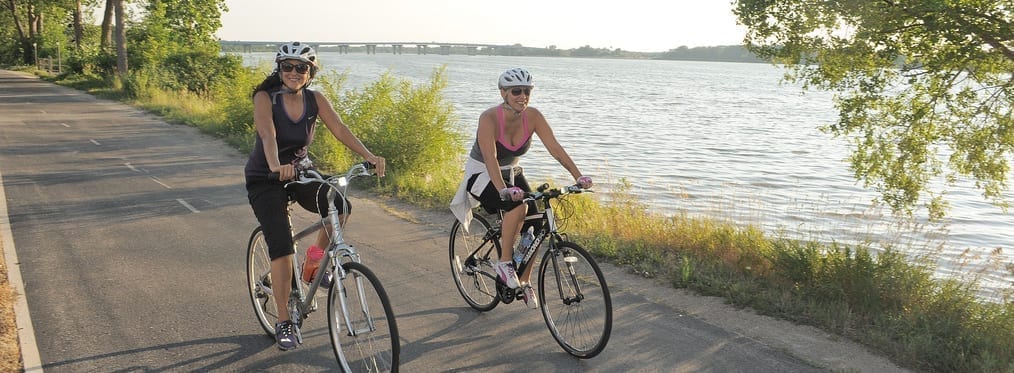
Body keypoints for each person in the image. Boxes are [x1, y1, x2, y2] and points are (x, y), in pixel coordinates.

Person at [244, 41, 386, 351]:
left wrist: (369, 155)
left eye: (302, 68)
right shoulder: (265, 97)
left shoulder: (315, 99)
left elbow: (340, 128)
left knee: (340, 205)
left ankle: (313, 262)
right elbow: (267, 134)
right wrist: (274, 166)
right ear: (279, 69)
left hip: (301, 172)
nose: (294, 72)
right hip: (266, 177)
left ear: (311, 72)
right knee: (280, 247)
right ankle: (284, 320)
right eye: (288, 67)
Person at [450, 67, 592, 309]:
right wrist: (503, 190)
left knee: (537, 225)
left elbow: (555, 148)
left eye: (527, 91)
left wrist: (578, 176)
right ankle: (504, 263)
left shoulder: (534, 116)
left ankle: (523, 281)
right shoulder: (489, 118)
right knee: (517, 208)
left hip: (513, 173)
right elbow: (491, 158)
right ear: (503, 92)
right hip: (483, 173)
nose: (522, 96)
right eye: (516, 91)